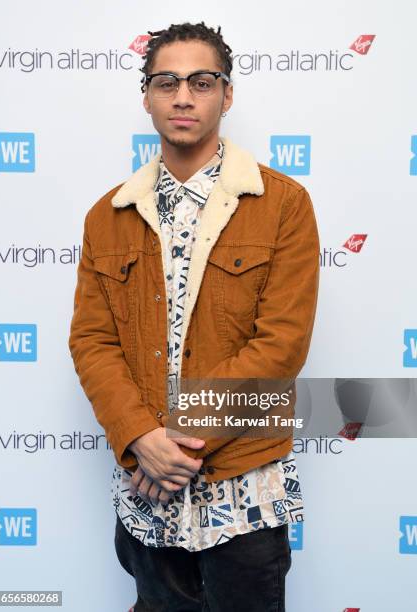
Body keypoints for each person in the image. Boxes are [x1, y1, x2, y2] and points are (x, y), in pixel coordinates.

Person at [68, 21, 320, 612]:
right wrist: (139, 437)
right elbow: (92, 341)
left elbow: (280, 345)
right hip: (145, 495)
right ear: (148, 96)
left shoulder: (283, 205)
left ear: (226, 95)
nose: (183, 96)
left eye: (201, 82)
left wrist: (176, 444)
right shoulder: (107, 216)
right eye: (167, 82)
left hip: (242, 488)